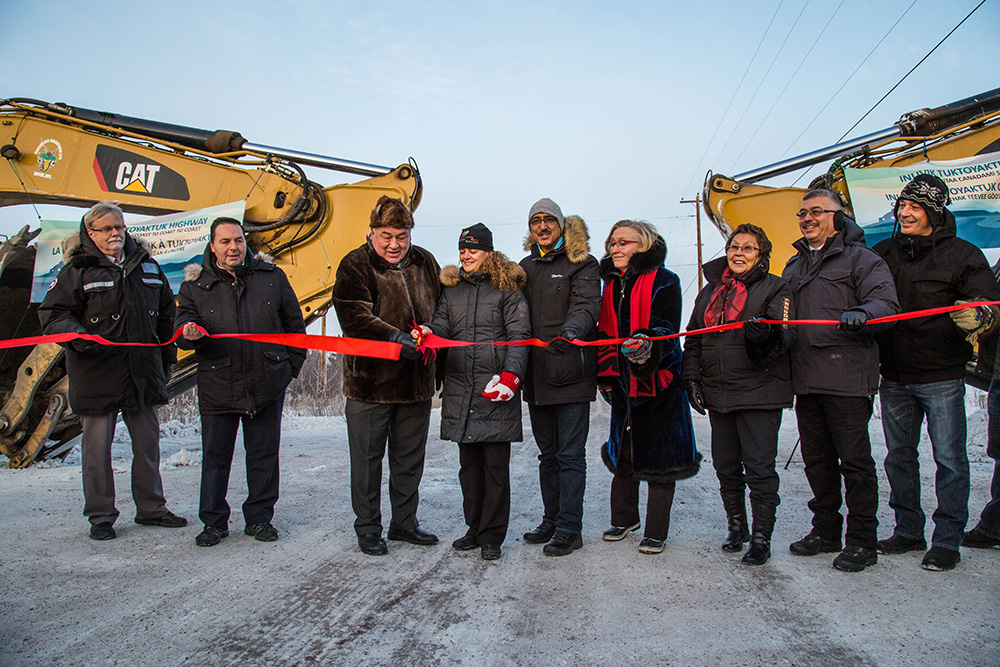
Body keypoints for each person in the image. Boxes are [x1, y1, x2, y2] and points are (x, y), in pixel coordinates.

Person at [871, 174, 1000, 571]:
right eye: (902, 206)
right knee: (899, 457)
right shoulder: (883, 252)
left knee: (949, 459)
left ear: (934, 211)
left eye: (915, 207)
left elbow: (989, 303)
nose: (905, 212)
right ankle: (908, 529)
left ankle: (947, 540)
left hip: (941, 374)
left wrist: (980, 314)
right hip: (893, 373)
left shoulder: (963, 254)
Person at [38, 201, 185, 540]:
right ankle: (101, 517)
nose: (115, 233)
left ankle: (151, 509)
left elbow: (166, 315)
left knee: (147, 445)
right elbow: (53, 314)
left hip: (143, 372)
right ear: (90, 233)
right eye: (106, 229)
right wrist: (80, 337)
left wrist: (167, 359)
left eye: (119, 227)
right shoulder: (77, 270)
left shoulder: (147, 266)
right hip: (96, 373)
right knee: (96, 450)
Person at [781, 188, 899, 572]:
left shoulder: (862, 259)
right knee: (817, 462)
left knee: (855, 463)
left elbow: (887, 304)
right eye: (802, 213)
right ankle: (826, 529)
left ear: (838, 216)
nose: (807, 218)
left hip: (847, 376)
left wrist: (864, 312)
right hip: (807, 379)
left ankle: (862, 539)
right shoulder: (794, 266)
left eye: (816, 211)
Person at [175, 217, 306, 547]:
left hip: (266, 382)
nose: (233, 247)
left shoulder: (272, 278)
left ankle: (260, 519)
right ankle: (214, 522)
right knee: (215, 458)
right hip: (218, 382)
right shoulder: (194, 286)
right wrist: (188, 333)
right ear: (212, 245)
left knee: (263, 455)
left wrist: (288, 368)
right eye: (225, 242)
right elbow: (182, 332)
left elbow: (295, 326)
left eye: (238, 240)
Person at [332, 196, 441, 556]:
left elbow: (442, 310)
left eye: (401, 235)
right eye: (386, 236)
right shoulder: (355, 264)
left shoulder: (425, 261)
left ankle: (404, 523)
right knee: (366, 461)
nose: (394, 244)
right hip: (370, 385)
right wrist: (395, 338)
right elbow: (354, 317)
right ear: (373, 232)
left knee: (409, 461)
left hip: (415, 384)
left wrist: (431, 333)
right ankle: (368, 528)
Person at [416, 223, 530, 561]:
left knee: (495, 466)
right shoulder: (451, 291)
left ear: (488, 253)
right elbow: (441, 327)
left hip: (495, 387)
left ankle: (493, 535)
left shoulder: (508, 289)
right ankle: (474, 528)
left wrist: (512, 375)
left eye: (474, 249)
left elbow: (521, 334)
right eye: (463, 249)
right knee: (469, 467)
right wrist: (428, 333)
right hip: (461, 385)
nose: (466, 254)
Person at [683, 223, 793, 565]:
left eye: (748, 248)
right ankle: (737, 526)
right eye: (734, 247)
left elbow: (786, 335)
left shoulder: (777, 288)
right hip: (719, 391)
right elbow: (695, 336)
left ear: (762, 255)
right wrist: (692, 379)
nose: (739, 253)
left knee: (759, 467)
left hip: (760, 390)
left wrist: (764, 335)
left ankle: (761, 537)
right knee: (726, 465)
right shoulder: (712, 290)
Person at [597, 220, 700, 555]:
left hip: (658, 380)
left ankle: (656, 530)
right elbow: (604, 332)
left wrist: (645, 345)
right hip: (622, 382)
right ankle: (624, 518)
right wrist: (606, 374)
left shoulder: (666, 280)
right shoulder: (611, 286)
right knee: (624, 452)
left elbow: (666, 328)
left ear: (641, 245)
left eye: (622, 243)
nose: (614, 248)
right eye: (612, 243)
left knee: (660, 457)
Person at [519, 198, 601, 556]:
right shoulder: (524, 267)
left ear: (561, 224)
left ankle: (571, 527)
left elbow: (586, 306)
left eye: (548, 220)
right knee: (547, 455)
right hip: (536, 376)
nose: (542, 226)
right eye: (536, 221)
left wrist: (571, 332)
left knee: (570, 456)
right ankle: (551, 519)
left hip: (570, 373)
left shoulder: (581, 263)